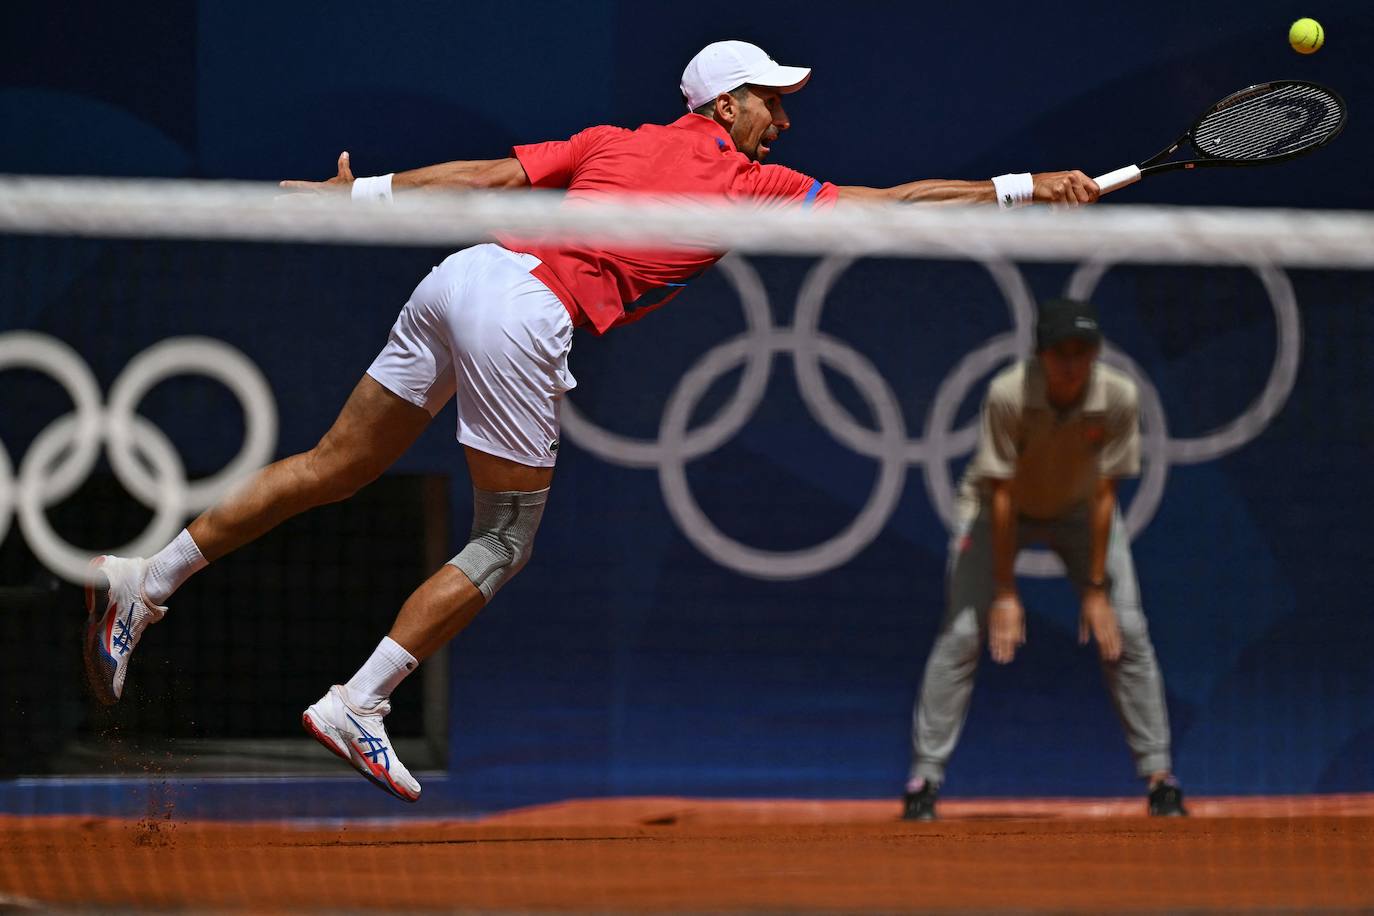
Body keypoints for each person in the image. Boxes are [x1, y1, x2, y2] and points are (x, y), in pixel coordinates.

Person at [82, 40, 1102, 802]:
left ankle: (149, 577)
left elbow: (486, 177)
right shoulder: (750, 182)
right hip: (526, 314)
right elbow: (898, 204)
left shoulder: (613, 139)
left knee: (333, 463)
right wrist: (1019, 192)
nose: (784, 123)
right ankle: (361, 698)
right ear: (729, 103)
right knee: (507, 537)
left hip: (463, 272)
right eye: (773, 104)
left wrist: (364, 197)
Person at [901, 298, 1186, 820]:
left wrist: (1095, 590)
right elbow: (1002, 494)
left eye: (1084, 351)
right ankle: (924, 780)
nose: (1072, 363)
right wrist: (1005, 593)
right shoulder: (1008, 393)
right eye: (1061, 352)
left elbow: (1106, 494)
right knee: (963, 633)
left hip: (1081, 511)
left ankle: (1160, 777)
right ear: (1041, 354)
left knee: (1126, 629)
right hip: (997, 509)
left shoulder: (1118, 396)